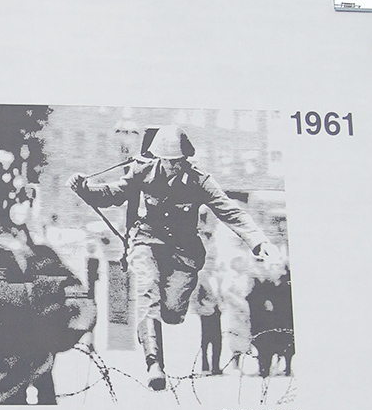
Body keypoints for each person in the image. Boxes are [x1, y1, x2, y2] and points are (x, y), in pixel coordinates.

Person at [69, 125, 276, 390]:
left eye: (177, 162)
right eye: (167, 161)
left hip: (184, 253)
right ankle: (154, 365)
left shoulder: (199, 179)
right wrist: (84, 188)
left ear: (185, 160)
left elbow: (229, 210)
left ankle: (166, 320)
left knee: (172, 313)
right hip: (147, 241)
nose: (172, 167)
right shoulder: (142, 171)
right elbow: (115, 194)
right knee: (147, 293)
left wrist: (258, 240)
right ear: (158, 158)